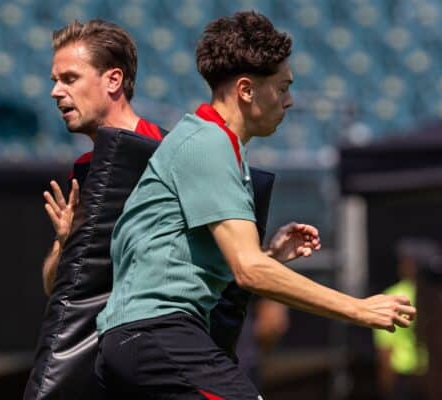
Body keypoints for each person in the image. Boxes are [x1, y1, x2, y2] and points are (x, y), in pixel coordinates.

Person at [95, 11, 416, 399]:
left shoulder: (207, 142)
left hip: (138, 343)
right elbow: (249, 272)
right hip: (159, 337)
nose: (290, 100)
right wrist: (359, 309)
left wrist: (268, 255)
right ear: (246, 90)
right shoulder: (209, 144)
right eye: (282, 88)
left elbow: (184, 260)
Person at [41, 19, 164, 296]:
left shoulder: (170, 152)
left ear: (113, 80)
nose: (55, 92)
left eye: (70, 79)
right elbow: (54, 289)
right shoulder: (84, 170)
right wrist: (66, 241)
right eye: (55, 81)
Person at [373, 239, 430, 400]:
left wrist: (386, 386)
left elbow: (385, 349)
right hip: (430, 374)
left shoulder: (392, 297)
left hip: (403, 377)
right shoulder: (436, 297)